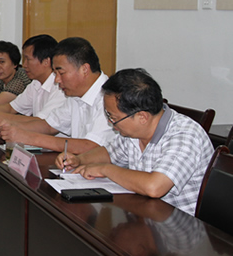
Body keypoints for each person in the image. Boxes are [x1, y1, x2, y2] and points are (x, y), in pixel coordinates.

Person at [57, 68, 214, 215]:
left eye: (113, 117)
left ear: (142, 117)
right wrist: (79, 160)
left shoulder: (184, 136)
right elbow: (110, 153)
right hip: (147, 214)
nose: (110, 123)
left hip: (180, 225)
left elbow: (154, 187)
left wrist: (105, 170)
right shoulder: (136, 132)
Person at [0, 37, 115, 153]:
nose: (57, 80)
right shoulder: (75, 95)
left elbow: (91, 146)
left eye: (61, 73)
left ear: (84, 70)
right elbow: (49, 126)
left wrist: (29, 137)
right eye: (55, 74)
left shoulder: (109, 99)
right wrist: (7, 127)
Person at [0, 35, 66, 122]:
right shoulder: (35, 84)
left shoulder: (60, 88)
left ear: (46, 61)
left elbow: (40, 123)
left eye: (28, 59)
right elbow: (11, 108)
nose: (24, 65)